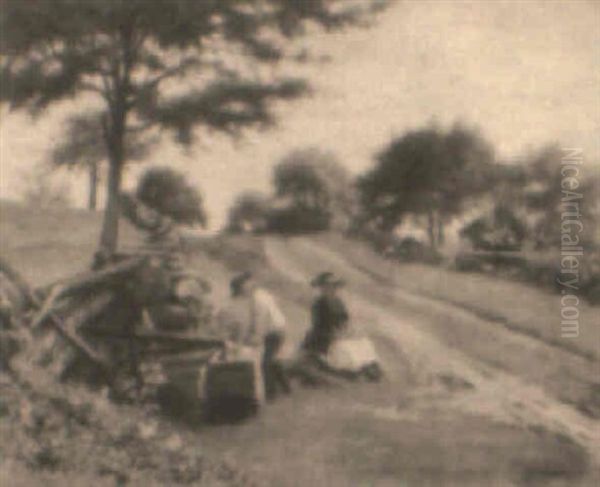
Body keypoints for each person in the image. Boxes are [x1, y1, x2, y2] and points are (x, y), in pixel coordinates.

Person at [221, 271, 291, 400]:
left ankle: (271, 394)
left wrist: (257, 335)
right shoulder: (260, 294)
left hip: (273, 329)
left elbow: (260, 318)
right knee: (272, 358)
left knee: (266, 362)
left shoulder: (257, 298)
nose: (244, 291)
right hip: (277, 327)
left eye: (243, 287)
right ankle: (286, 387)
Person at [302, 272, 349, 356]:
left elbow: (344, 320)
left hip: (332, 339)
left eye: (332, 286)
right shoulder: (320, 303)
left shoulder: (338, 303)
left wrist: (340, 332)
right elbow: (317, 324)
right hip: (321, 339)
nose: (329, 289)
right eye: (325, 286)